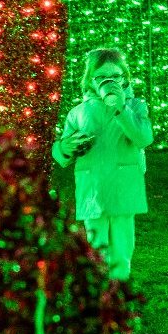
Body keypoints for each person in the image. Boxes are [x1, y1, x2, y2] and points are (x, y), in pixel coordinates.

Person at [52, 47, 152, 282]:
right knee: (97, 246)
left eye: (115, 76)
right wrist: (65, 147)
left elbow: (143, 138)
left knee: (122, 248)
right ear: (90, 80)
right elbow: (61, 152)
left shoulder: (135, 107)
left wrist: (120, 108)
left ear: (124, 78)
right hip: (93, 188)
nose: (109, 81)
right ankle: (100, 299)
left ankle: (120, 293)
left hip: (124, 187)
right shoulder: (78, 113)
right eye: (101, 77)